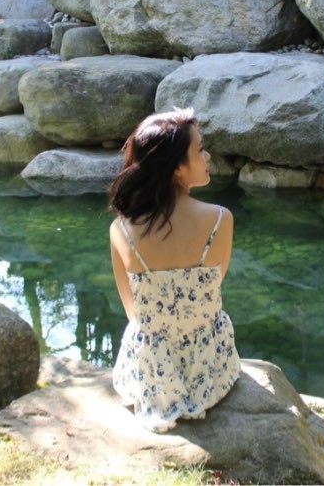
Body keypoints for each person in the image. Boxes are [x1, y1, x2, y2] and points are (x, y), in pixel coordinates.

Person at [107, 107, 240, 432]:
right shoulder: (220, 219)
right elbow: (213, 285)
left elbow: (131, 310)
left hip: (148, 370)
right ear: (177, 167)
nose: (207, 155)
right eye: (199, 149)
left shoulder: (121, 229)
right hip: (209, 366)